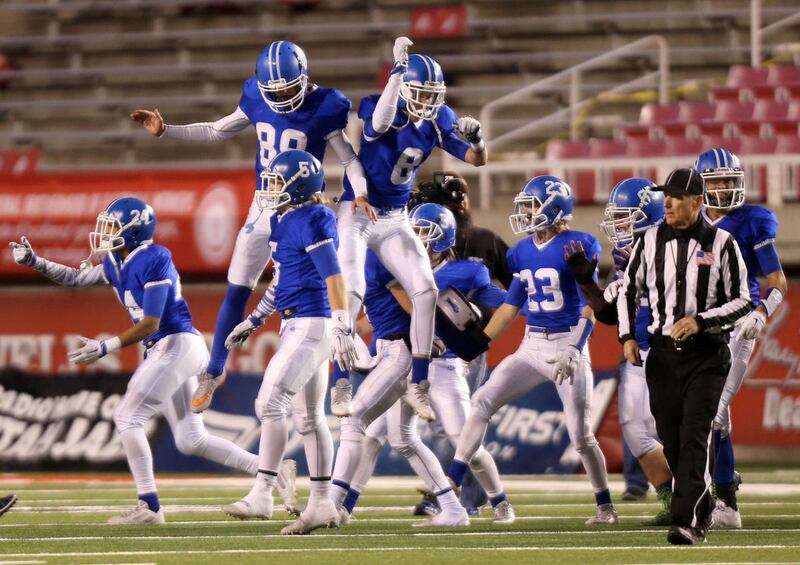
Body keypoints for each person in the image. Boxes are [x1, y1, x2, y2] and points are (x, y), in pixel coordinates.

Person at [130, 40, 369, 417]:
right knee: (237, 286)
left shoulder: (328, 105)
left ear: (304, 79)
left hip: (306, 206)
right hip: (265, 203)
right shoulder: (255, 95)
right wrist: (166, 130)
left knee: (332, 285)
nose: (282, 98)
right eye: (274, 91)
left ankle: (342, 378)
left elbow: (351, 160)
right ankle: (214, 370)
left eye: (289, 89)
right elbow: (216, 130)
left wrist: (362, 192)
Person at [8, 198, 263, 525]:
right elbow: (75, 277)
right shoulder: (116, 261)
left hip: (176, 343)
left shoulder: (155, 258)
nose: (106, 232)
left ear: (133, 230)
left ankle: (150, 506)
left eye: (113, 226)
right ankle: (268, 468)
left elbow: (151, 323)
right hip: (170, 347)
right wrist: (34, 261)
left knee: (127, 416)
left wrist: (106, 347)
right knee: (190, 439)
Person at [447, 175, 619, 525]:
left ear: (553, 207)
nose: (525, 213)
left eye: (531, 205)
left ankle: (605, 507)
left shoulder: (579, 244)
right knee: (482, 400)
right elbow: (510, 307)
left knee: (582, 437)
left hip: (567, 345)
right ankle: (452, 478)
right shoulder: (520, 251)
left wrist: (576, 345)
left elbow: (591, 306)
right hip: (532, 344)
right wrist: (475, 346)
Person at [335, 37, 487, 420]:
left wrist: (478, 139)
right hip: (357, 210)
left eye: (432, 94)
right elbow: (380, 123)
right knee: (350, 291)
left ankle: (419, 384)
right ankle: (339, 381)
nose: (427, 101)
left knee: (425, 290)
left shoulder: (437, 117)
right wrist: (396, 73)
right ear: (402, 87)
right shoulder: (379, 103)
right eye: (419, 92)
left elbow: (476, 159)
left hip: (396, 216)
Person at [337, 203, 513, 525]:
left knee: (465, 442)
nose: (417, 239)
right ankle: (344, 505)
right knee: (377, 434)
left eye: (425, 233)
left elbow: (502, 301)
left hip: (442, 365)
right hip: (403, 363)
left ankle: (500, 501)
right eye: (414, 231)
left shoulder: (466, 271)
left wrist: (479, 319)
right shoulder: (398, 264)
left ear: (444, 238)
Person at [220, 149, 357, 535]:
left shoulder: (313, 217)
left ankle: (263, 492)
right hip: (294, 322)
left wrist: (343, 323)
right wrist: (255, 318)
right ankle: (321, 504)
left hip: (313, 323)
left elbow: (334, 276)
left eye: (277, 182)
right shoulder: (283, 219)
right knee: (309, 418)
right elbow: (282, 282)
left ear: (299, 184)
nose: (270, 189)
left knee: (269, 402)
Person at [618, 167, 752, 545]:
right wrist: (627, 336)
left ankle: (688, 522)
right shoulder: (648, 241)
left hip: (707, 356)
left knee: (695, 435)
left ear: (697, 201)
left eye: (677, 196)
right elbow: (629, 290)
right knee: (671, 440)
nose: (669, 203)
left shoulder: (723, 242)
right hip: (661, 355)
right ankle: (702, 503)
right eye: (666, 196)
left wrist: (701, 321)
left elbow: (743, 300)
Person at [568, 177, 674, 524]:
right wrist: (587, 282)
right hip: (637, 352)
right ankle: (673, 500)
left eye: (626, 216)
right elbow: (610, 313)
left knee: (685, 429)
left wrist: (638, 266)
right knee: (634, 429)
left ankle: (714, 492)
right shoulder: (624, 257)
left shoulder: (673, 247)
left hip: (674, 350)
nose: (619, 224)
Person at [695, 148, 787, 529]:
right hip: (700, 327)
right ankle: (725, 496)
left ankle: (717, 503)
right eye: (716, 180)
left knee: (713, 414)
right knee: (713, 416)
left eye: (730, 180)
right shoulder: (688, 221)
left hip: (738, 324)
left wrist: (761, 312)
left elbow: (777, 283)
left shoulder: (753, 221)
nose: (724, 187)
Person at [408, 173, 511, 515]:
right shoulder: (411, 247)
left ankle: (458, 500)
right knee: (390, 430)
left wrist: (484, 334)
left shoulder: (480, 245)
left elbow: (512, 294)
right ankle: (463, 496)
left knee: (452, 428)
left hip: (459, 348)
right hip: (425, 347)